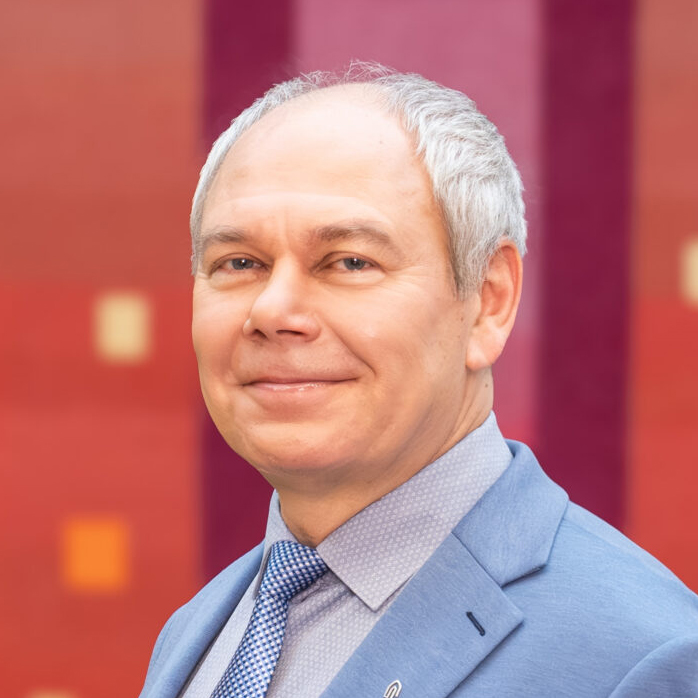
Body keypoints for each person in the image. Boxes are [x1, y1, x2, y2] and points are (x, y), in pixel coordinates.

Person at [139, 64, 698, 698]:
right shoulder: (196, 635)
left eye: (350, 262)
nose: (272, 311)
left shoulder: (643, 659)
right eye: (239, 262)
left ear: (488, 301)